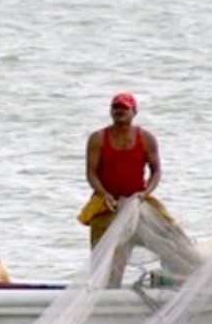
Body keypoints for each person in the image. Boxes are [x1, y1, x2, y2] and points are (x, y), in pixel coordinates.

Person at [77, 93, 189, 286]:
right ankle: (104, 293)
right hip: (107, 203)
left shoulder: (146, 138)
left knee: (175, 238)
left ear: (134, 112)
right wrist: (104, 194)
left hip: (138, 201)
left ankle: (182, 282)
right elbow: (91, 173)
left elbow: (156, 171)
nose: (119, 111)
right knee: (105, 258)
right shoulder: (98, 138)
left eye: (124, 108)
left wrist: (145, 194)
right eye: (115, 108)